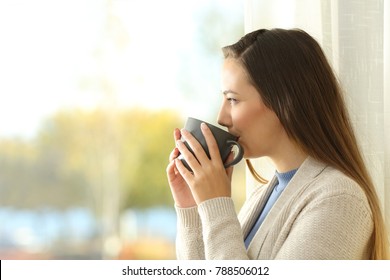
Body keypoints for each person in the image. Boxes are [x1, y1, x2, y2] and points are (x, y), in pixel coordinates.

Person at [166, 28, 389, 259]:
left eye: (232, 99)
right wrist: (192, 208)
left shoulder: (340, 200)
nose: (221, 118)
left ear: (285, 102)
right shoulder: (260, 198)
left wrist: (217, 206)